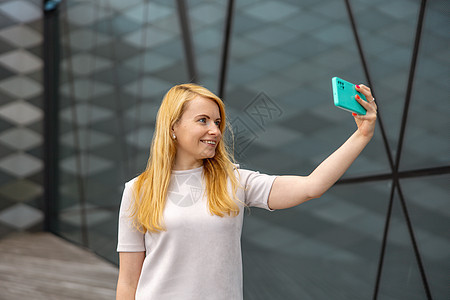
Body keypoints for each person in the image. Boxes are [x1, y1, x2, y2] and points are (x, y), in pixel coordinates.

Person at [116, 83, 377, 299]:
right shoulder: (138, 190)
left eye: (217, 122)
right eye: (203, 120)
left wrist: (362, 136)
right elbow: (128, 283)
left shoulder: (236, 181)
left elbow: (311, 187)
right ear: (173, 127)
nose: (215, 131)